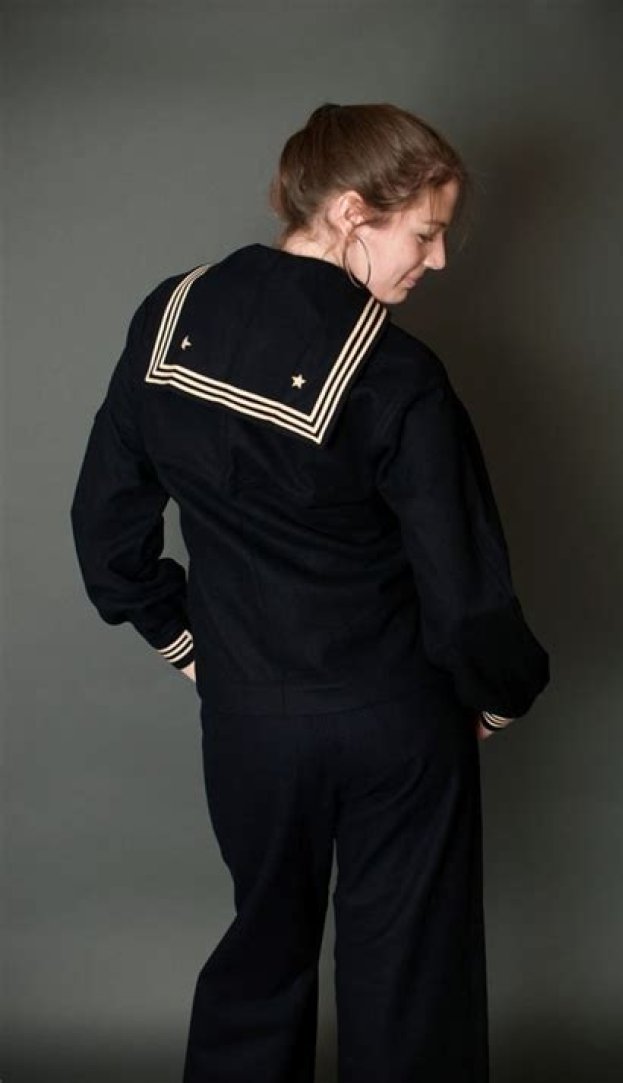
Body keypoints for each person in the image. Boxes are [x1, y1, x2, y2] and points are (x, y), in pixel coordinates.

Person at [70, 101, 550, 1083]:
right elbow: (467, 594)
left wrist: (187, 645)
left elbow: (104, 530)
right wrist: (502, 694)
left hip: (248, 717)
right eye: (425, 232)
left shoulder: (168, 316)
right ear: (349, 211)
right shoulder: (399, 374)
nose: (439, 259)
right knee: (408, 986)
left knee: (261, 955)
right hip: (395, 723)